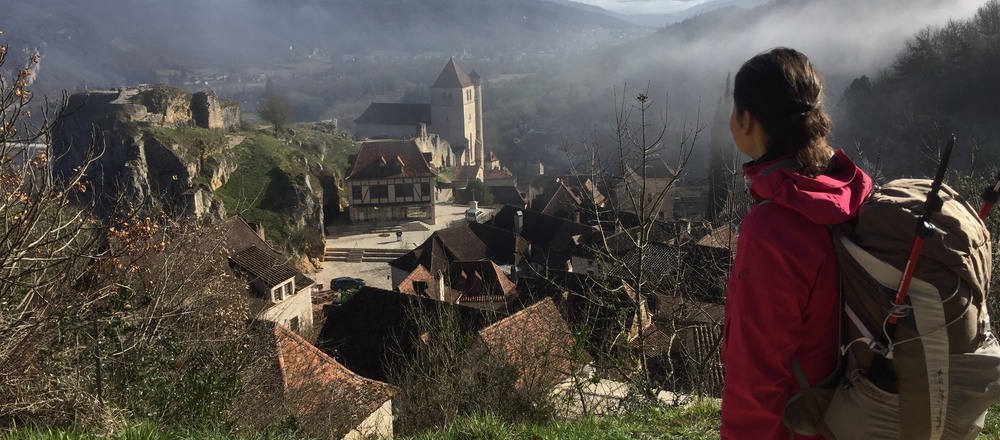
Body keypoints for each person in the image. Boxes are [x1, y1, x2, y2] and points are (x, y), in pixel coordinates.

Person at [720, 48, 873, 439]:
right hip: (857, 410)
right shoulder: (847, 196)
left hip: (802, 425)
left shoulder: (774, 228)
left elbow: (756, 374)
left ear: (746, 119)